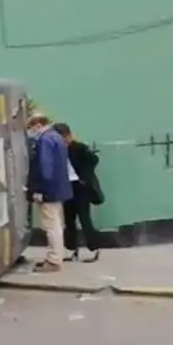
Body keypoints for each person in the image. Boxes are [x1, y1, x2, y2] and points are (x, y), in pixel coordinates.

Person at [26, 114, 72, 272]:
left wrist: (39, 190)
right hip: (59, 188)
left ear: (38, 125)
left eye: (31, 127)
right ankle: (57, 255)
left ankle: (53, 260)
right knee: (57, 223)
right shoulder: (57, 138)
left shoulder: (44, 140)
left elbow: (45, 169)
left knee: (50, 225)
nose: (31, 131)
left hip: (49, 190)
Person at [53, 123, 103, 263]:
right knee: (69, 221)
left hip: (80, 187)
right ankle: (72, 250)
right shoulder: (58, 150)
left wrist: (84, 177)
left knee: (84, 219)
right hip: (66, 186)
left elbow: (94, 160)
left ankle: (93, 249)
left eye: (63, 138)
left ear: (68, 136)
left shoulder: (79, 147)